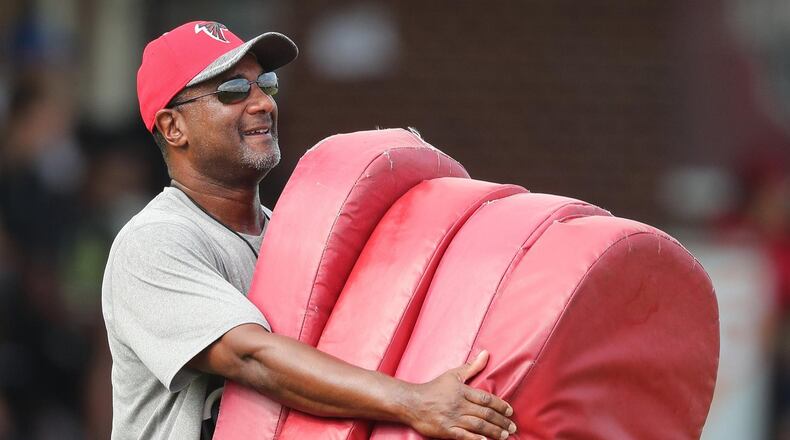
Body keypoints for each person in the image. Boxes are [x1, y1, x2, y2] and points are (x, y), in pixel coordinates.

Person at [102, 21, 517, 440]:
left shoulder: (291, 235)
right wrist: (413, 401)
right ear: (174, 127)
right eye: (232, 91)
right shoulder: (155, 241)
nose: (262, 102)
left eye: (265, 84)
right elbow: (250, 357)